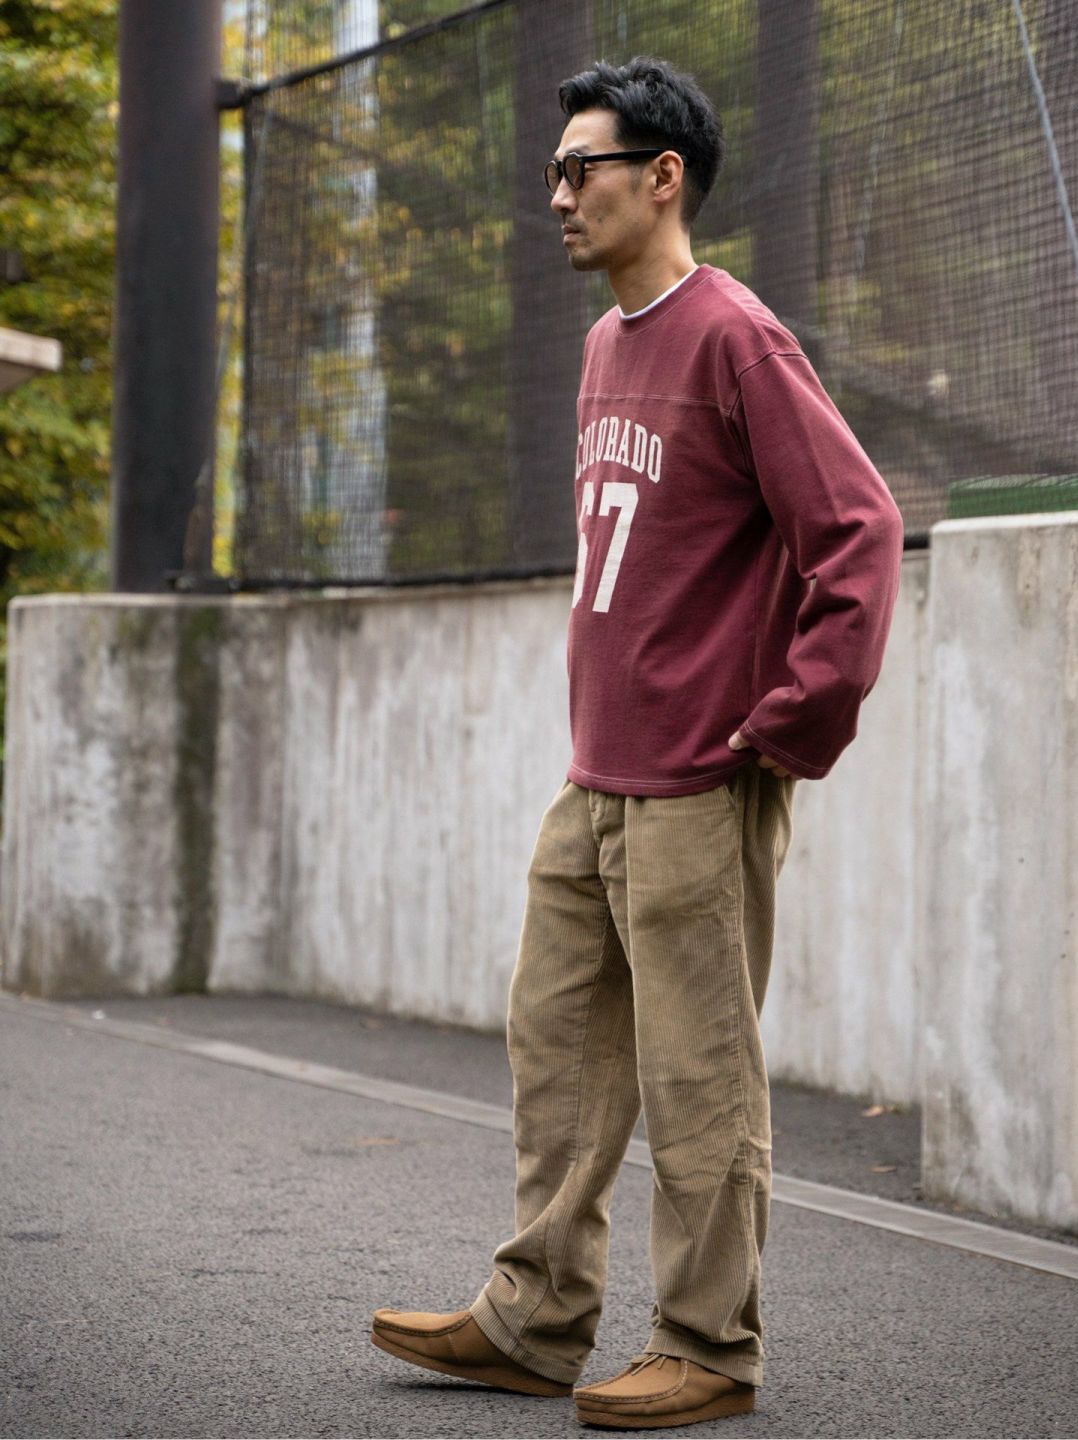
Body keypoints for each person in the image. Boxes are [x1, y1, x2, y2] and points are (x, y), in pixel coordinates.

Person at [372, 55, 904, 1431]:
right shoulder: (607, 346)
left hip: (700, 782)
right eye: (550, 172)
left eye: (580, 168)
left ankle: (708, 1345)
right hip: (596, 776)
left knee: (698, 1076)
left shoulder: (737, 337)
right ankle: (535, 1316)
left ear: (663, 177)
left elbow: (859, 528)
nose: (557, 195)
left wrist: (795, 717)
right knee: (556, 1049)